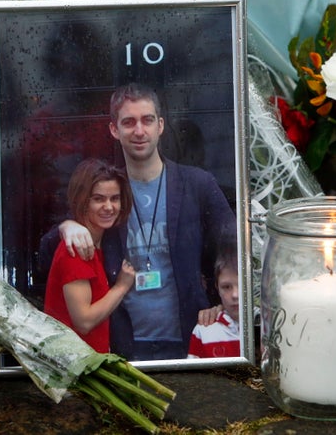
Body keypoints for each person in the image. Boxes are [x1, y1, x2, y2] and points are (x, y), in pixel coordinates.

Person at [40, 83, 237, 361]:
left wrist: (221, 302)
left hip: (191, 336)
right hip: (123, 344)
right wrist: (67, 226)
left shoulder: (196, 184)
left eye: (147, 120)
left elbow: (233, 248)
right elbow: (47, 255)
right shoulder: (107, 190)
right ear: (114, 130)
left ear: (161, 125)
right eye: (128, 122)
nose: (139, 131)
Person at [43, 158, 136, 353]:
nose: (109, 207)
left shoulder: (103, 241)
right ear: (82, 200)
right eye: (99, 199)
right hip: (75, 368)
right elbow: (84, 321)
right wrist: (121, 287)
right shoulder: (75, 248)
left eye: (115, 198)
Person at [188, 243, 241, 359]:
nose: (235, 295)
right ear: (217, 287)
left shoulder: (267, 326)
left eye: (242, 285)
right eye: (226, 287)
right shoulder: (204, 330)